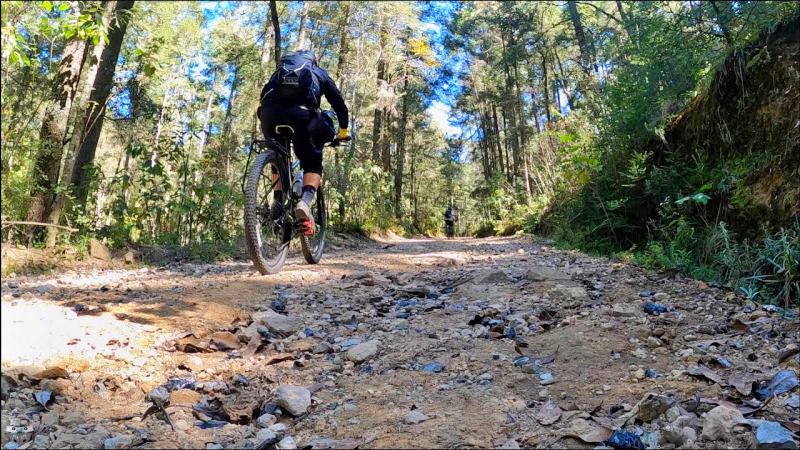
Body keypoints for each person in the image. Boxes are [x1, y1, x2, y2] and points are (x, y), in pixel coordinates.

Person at [258, 50, 350, 230]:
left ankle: (277, 201)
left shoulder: (278, 73)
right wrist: (343, 131)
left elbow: (263, 98)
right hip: (303, 117)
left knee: (277, 159)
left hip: (269, 116)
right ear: (313, 61)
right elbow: (339, 104)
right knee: (312, 164)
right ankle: (305, 203)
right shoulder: (319, 72)